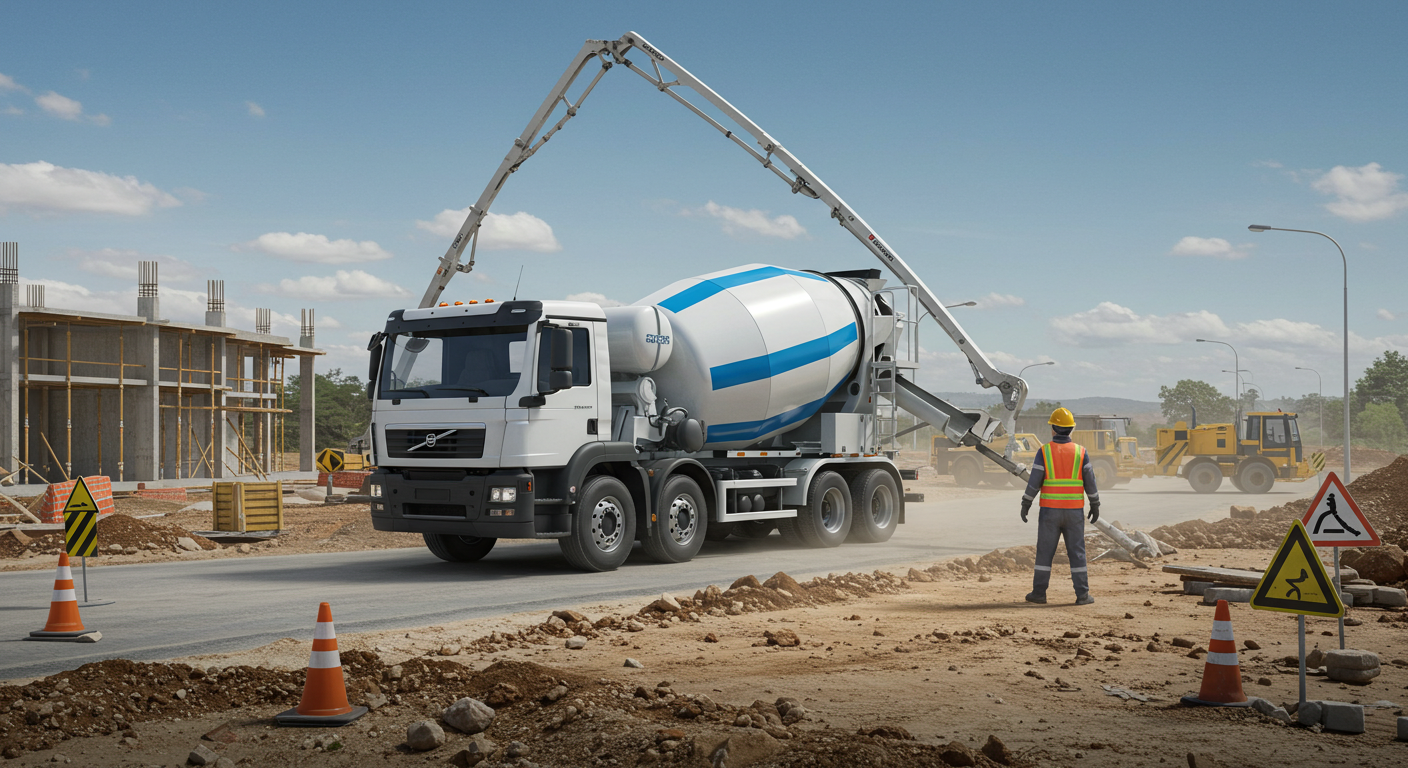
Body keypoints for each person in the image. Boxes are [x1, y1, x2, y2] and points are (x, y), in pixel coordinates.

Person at [1019, 407, 1100, 605]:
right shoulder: (1081, 452)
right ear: (1071, 429)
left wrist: (1026, 502)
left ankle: (1039, 593)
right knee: (1077, 552)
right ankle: (1082, 595)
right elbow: (1090, 481)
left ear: (1053, 430)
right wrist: (1095, 503)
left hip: (1050, 512)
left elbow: (1035, 481)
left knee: (1045, 551)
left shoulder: (1044, 451)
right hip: (1074, 513)